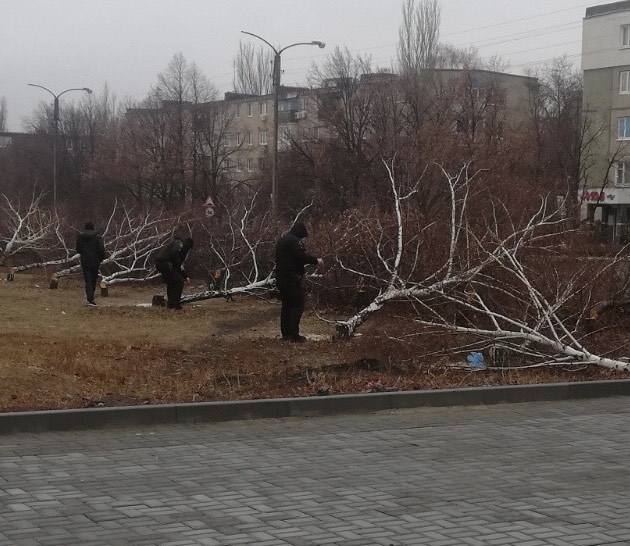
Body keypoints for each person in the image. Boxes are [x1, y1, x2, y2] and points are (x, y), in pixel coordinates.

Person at [275, 222, 323, 342]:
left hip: (281, 278)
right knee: (297, 305)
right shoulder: (294, 241)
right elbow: (301, 256)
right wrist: (316, 260)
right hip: (292, 278)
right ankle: (294, 335)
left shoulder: (283, 241)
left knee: (286, 306)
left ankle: (285, 334)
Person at [154, 235, 194, 310]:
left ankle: (171, 304)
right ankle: (175, 304)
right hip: (165, 264)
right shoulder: (179, 244)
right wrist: (184, 276)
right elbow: (177, 261)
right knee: (179, 282)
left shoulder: (178, 245)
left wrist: (185, 276)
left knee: (171, 282)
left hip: (161, 263)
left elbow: (178, 265)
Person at [76, 222, 106, 307]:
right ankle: (91, 298)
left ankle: (90, 298)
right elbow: (101, 249)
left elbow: (78, 249)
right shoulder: (97, 237)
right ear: (93, 228)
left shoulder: (80, 237)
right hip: (95, 261)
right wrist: (101, 259)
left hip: (85, 261)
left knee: (88, 280)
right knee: (93, 279)